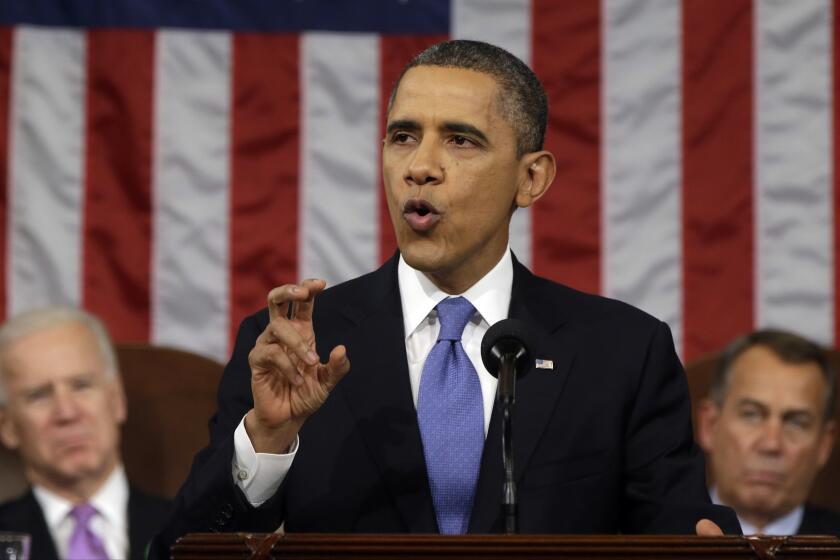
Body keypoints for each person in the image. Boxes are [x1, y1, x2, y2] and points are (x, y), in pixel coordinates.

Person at [154, 39, 738, 554]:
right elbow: (183, 551)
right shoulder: (296, 346)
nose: (420, 166)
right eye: (403, 136)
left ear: (531, 178)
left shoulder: (622, 353)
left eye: (461, 140)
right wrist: (268, 442)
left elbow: (682, 534)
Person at [0, 307, 171, 560]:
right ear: (8, 426)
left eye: (82, 385)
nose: (67, 413)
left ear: (117, 400)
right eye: (39, 395)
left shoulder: (191, 531)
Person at [697, 329, 840, 536]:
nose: (771, 444)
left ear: (824, 445)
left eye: (797, 423)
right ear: (710, 426)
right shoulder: (657, 539)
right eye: (751, 415)